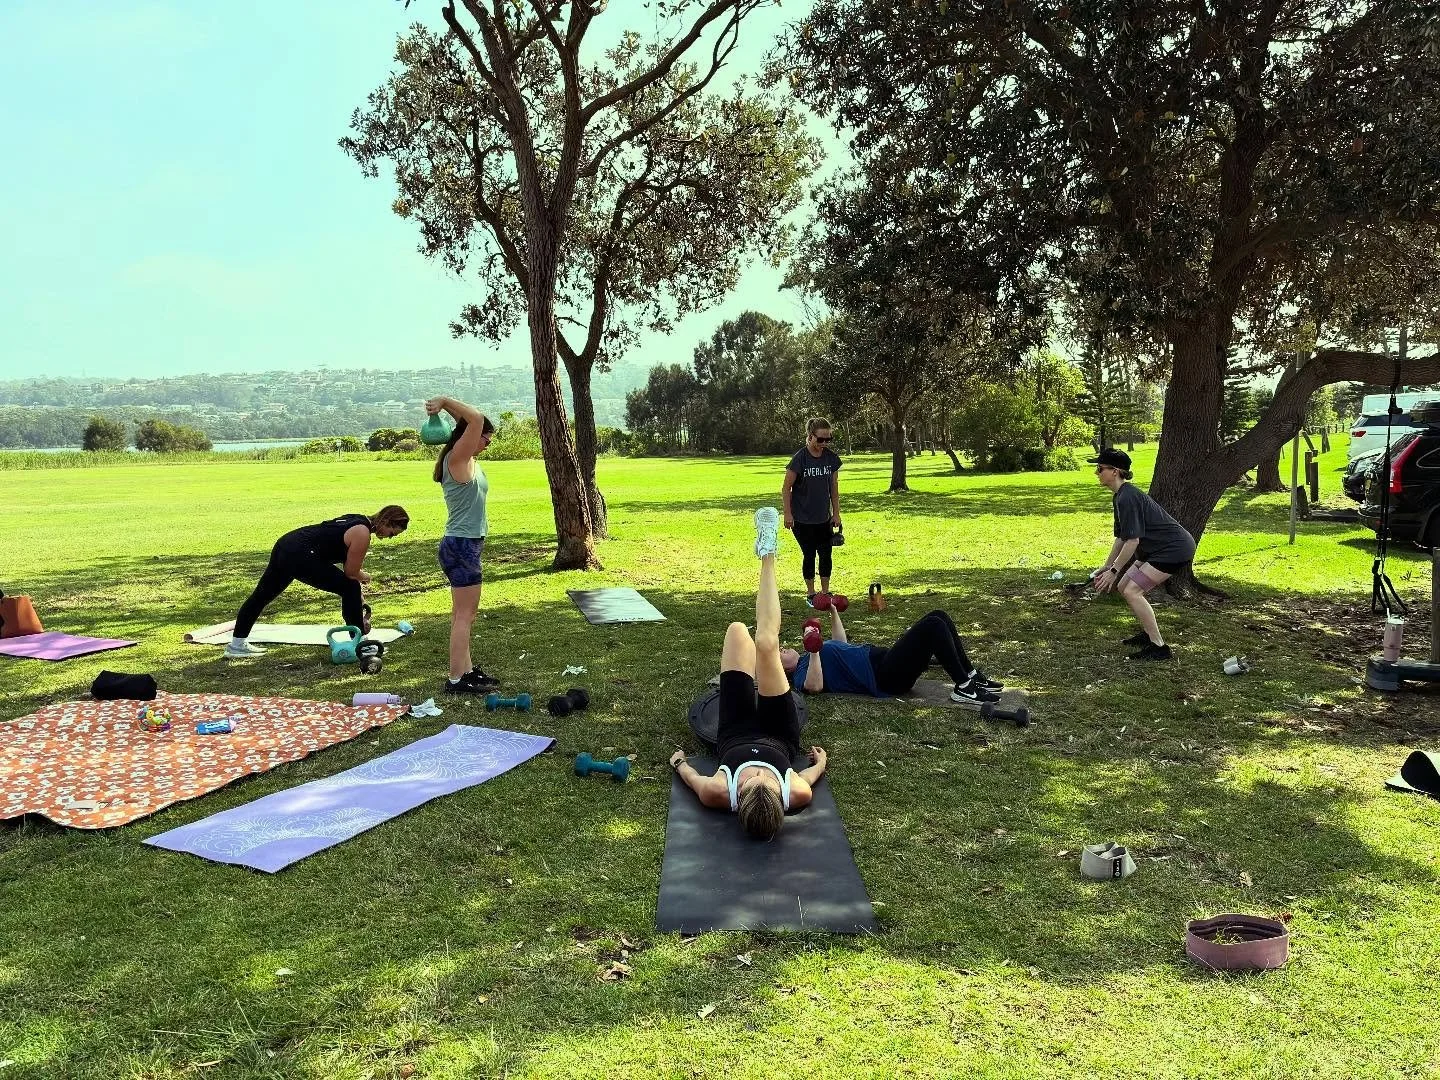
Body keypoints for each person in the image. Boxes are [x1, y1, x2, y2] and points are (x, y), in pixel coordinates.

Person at [669, 507, 830, 841]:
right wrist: (821, 761)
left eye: (746, 782)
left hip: (735, 728)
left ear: (737, 797)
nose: (754, 774)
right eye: (764, 780)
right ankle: (767, 551)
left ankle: (765, 667)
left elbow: (691, 778)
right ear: (778, 793)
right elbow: (812, 775)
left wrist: (679, 763)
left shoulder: (717, 792)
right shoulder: (795, 792)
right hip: (779, 730)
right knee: (766, 642)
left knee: (737, 631)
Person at [225, 506, 410, 658]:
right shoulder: (362, 534)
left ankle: (237, 644)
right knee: (350, 587)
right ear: (386, 521)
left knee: (261, 596)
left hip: (287, 544)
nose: (389, 537)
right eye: (392, 533)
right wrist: (365, 577)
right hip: (299, 553)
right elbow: (352, 573)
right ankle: (361, 644)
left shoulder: (358, 520)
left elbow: (348, 570)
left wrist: (358, 595)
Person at [1088, 447, 1197, 661]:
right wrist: (1107, 565)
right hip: (1155, 551)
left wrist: (1114, 570)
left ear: (1115, 471)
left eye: (1100, 468)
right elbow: (1121, 538)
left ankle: (1159, 647)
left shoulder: (1127, 497)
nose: (1097, 473)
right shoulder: (1120, 496)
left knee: (1132, 591)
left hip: (1172, 550)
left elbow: (1132, 541)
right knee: (1123, 587)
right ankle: (1148, 635)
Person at [783, 600, 1004, 703]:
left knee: (939, 615)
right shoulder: (803, 673)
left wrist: (832, 609)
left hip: (885, 662)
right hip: (884, 678)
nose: (784, 648)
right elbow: (815, 686)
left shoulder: (810, 658)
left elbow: (841, 643)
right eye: (781, 653)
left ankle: (972, 677)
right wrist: (812, 649)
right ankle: (964, 688)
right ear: (783, 668)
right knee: (933, 626)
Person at [426, 395, 500, 694]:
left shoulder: (462, 459)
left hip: (462, 544)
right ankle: (457, 679)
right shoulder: (457, 459)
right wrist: (444, 401)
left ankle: (467, 670)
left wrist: (452, 412)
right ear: (471, 436)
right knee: (465, 616)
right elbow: (476, 419)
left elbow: (470, 422)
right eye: (486, 439)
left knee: (463, 614)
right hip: (461, 546)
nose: (487, 444)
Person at [781, 417, 843, 606]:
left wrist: (836, 513)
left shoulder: (830, 458)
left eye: (828, 439)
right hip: (802, 519)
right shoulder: (800, 459)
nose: (824, 444)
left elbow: (834, 488)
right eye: (820, 439)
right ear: (810, 437)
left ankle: (825, 592)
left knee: (825, 554)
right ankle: (811, 594)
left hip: (823, 518)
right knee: (809, 554)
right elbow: (786, 488)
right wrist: (788, 513)